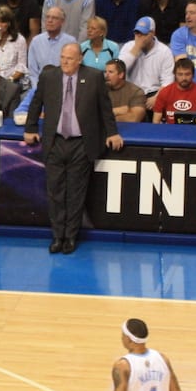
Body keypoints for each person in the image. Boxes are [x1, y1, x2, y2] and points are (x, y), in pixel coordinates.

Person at [24, 42, 122, 254]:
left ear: (79, 59)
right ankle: (57, 236)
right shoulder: (49, 76)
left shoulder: (94, 77)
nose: (64, 62)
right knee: (55, 192)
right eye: (62, 57)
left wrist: (112, 132)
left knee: (76, 193)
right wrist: (30, 127)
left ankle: (70, 237)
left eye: (69, 58)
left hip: (81, 143)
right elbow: (36, 103)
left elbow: (105, 109)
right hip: (55, 141)